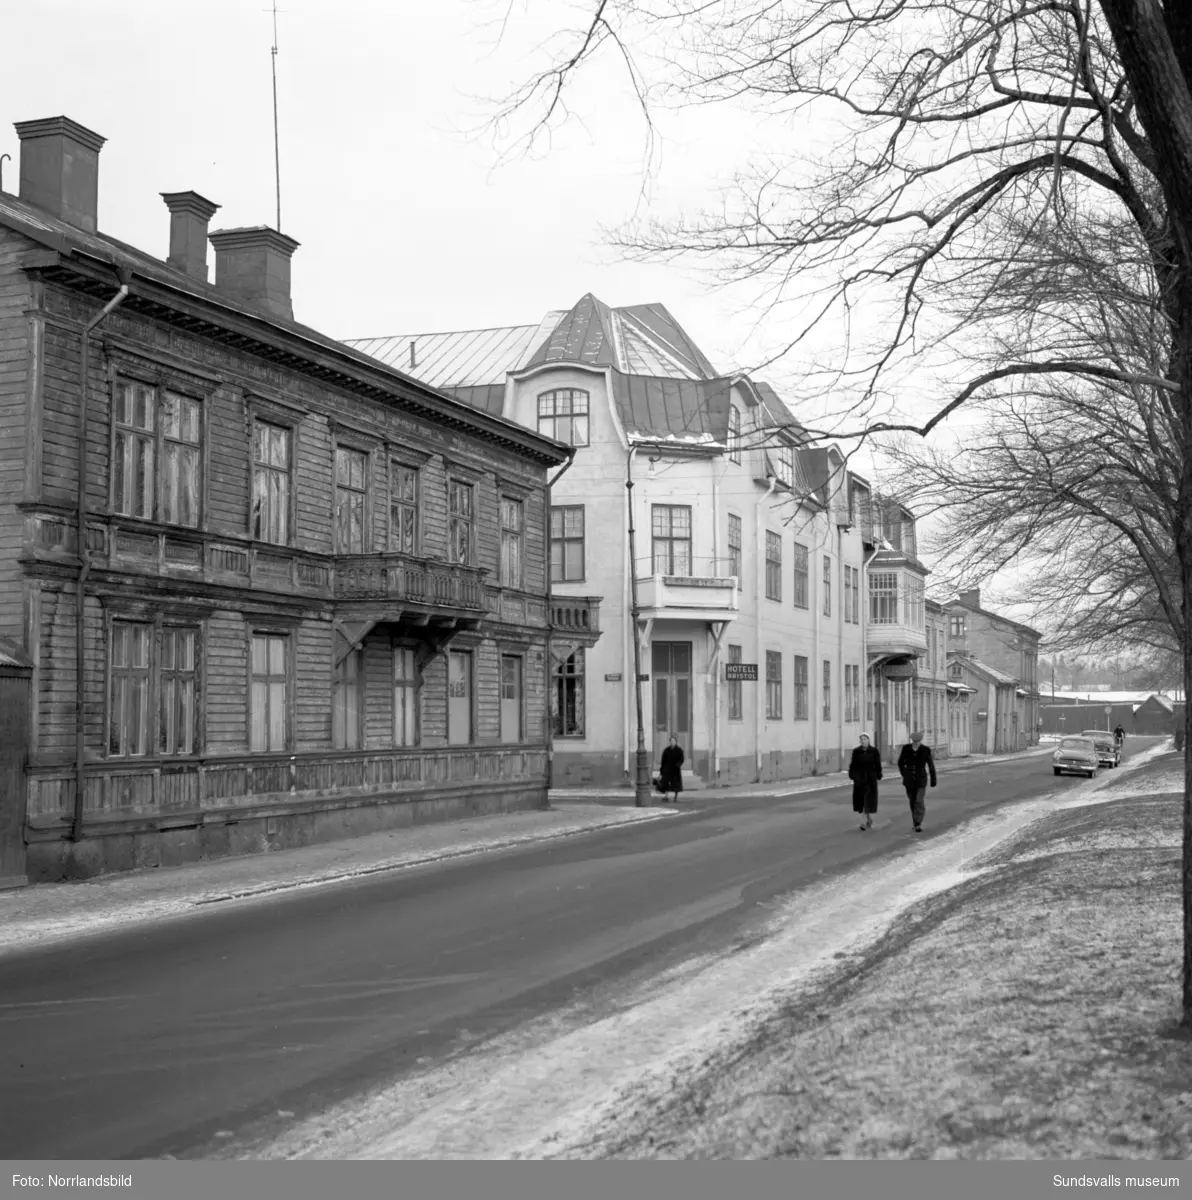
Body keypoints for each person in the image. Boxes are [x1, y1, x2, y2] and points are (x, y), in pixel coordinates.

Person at [897, 730, 937, 834]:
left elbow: (930, 765)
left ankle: (918, 822)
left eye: (918, 741)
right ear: (912, 741)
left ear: (920, 741)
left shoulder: (925, 750)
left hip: (921, 779)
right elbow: (900, 762)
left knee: (919, 800)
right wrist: (904, 774)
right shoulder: (906, 749)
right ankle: (916, 823)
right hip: (909, 780)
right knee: (912, 802)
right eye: (914, 741)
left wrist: (933, 779)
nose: (916, 743)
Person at [848, 733, 883, 831]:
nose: (863, 741)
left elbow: (878, 764)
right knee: (862, 800)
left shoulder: (874, 751)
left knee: (867, 799)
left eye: (865, 739)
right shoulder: (856, 751)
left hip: (870, 778)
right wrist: (852, 774)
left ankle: (864, 821)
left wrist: (879, 773)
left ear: (868, 740)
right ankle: (868, 820)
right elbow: (853, 764)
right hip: (859, 778)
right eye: (861, 739)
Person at [657, 734, 684, 803]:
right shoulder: (666, 750)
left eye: (674, 741)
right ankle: (666, 796)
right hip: (667, 769)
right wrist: (661, 771)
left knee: (676, 783)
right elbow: (663, 761)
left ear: (676, 742)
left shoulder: (679, 750)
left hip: (675, 769)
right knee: (665, 782)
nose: (672, 742)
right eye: (671, 741)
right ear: (670, 742)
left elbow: (681, 759)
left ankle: (676, 797)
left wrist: (678, 765)